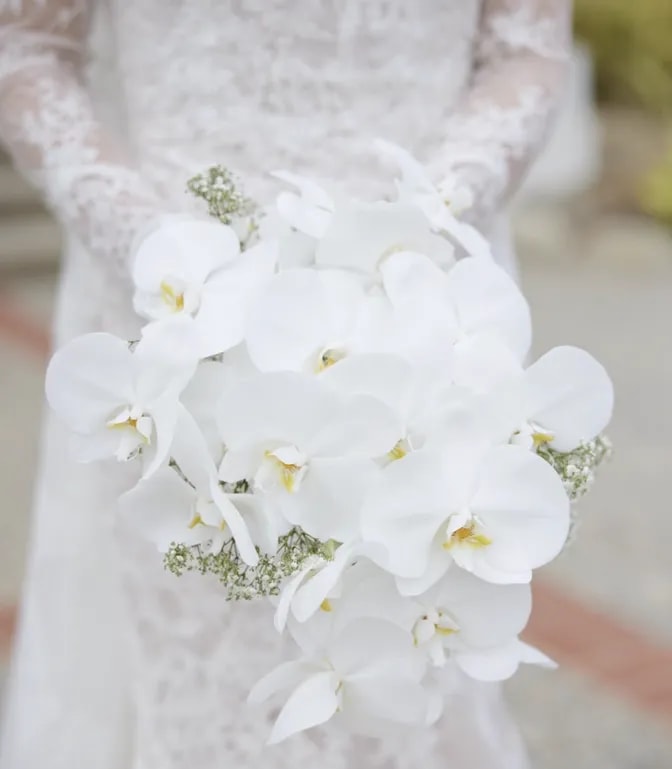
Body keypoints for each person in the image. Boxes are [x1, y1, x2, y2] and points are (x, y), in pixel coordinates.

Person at [0, 2, 572, 767]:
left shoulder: (423, 270)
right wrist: (153, 247)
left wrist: (422, 223)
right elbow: (30, 44)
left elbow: (524, 49)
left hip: (422, 308)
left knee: (409, 655)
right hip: (168, 323)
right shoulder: (162, 273)